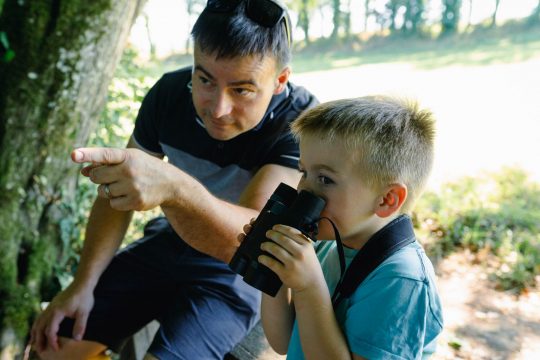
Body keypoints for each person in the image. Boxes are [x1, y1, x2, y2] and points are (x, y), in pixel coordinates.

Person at [30, 0, 318, 358]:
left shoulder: (303, 125)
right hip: (168, 243)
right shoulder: (169, 95)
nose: (218, 109)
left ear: (279, 81)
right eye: (205, 79)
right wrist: (82, 283)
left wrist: (172, 186)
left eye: (241, 90)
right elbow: (114, 198)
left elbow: (245, 238)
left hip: (237, 273)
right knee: (51, 346)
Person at [242, 96, 444, 359]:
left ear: (386, 200)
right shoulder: (327, 242)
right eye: (304, 172)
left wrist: (309, 287)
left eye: (325, 179)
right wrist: (274, 271)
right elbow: (283, 342)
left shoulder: (400, 281)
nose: (304, 189)